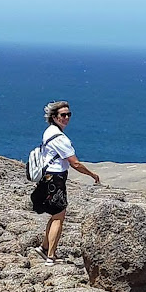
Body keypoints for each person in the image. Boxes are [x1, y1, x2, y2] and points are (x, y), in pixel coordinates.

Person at [31, 100, 100, 266]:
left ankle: (44, 247)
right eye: (63, 115)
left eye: (69, 114)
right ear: (54, 117)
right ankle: (51, 256)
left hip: (47, 178)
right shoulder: (61, 139)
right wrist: (92, 175)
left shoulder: (49, 131)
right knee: (59, 218)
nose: (67, 118)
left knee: (55, 215)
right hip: (56, 180)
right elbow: (74, 163)